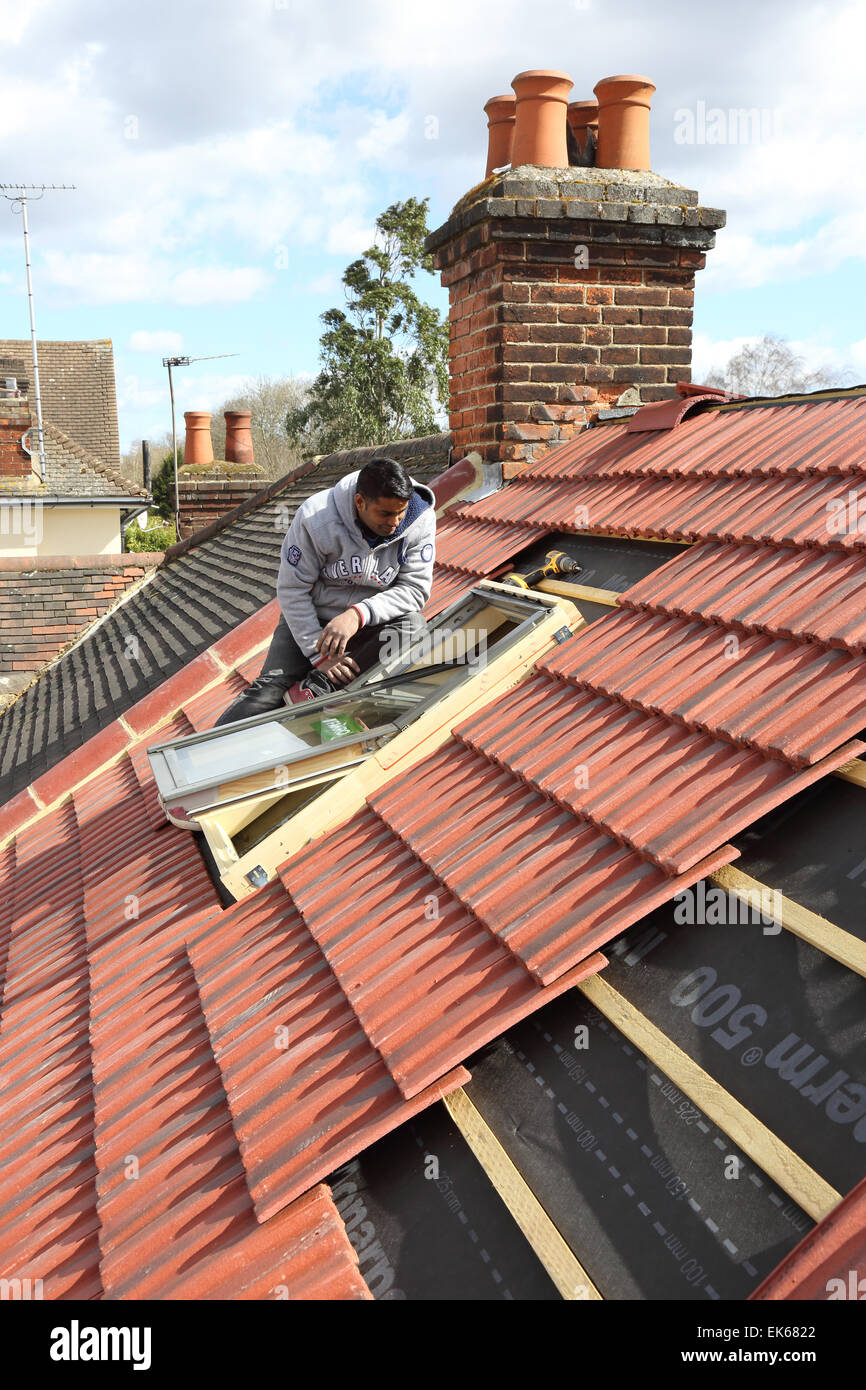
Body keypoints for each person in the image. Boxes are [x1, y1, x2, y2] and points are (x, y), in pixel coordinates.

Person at [214, 456, 436, 725]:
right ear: (360, 502)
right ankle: (202, 754)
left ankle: (317, 689)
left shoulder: (420, 521)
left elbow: (414, 589)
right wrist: (319, 656)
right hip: (312, 619)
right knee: (270, 689)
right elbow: (292, 589)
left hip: (368, 624)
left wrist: (357, 615)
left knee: (414, 625)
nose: (395, 522)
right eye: (385, 514)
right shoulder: (316, 518)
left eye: (400, 512)